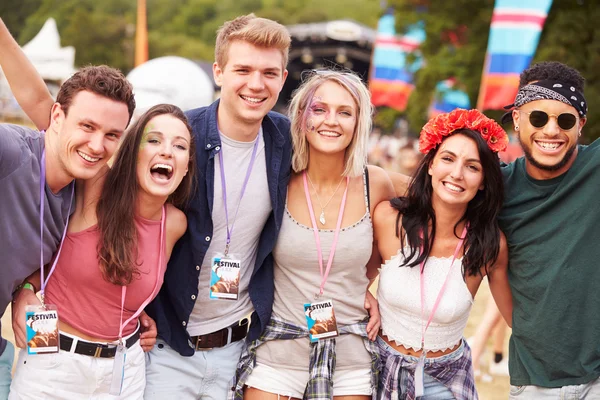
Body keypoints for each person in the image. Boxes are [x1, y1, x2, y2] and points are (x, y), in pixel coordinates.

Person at [143, 14, 293, 399]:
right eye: (243, 69)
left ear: (283, 77)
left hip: (239, 349)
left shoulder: (287, 141)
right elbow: (119, 214)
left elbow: (347, 185)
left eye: (269, 73)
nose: (256, 84)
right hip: (166, 347)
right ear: (219, 72)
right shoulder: (180, 138)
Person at [9, 104, 196, 399]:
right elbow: (50, 116)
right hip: (54, 359)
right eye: (154, 140)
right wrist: (26, 289)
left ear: (187, 166)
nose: (167, 152)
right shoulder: (96, 187)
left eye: (180, 146)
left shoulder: (174, 224)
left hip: (125, 370)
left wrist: (139, 314)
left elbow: (129, 280)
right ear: (132, 152)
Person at [228, 69, 394, 400]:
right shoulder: (277, 181)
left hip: (350, 359)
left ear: (358, 123)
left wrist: (361, 284)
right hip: (279, 354)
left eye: (345, 112)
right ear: (302, 117)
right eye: (319, 109)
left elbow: (433, 197)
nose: (331, 121)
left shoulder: (375, 184)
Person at [0, 17, 136, 398]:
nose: (97, 145)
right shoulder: (12, 152)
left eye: (112, 135)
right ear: (56, 118)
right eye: (87, 126)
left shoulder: (86, 191)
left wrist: (24, 290)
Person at [373, 108, 512, 399]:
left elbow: (518, 321)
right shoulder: (388, 220)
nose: (457, 174)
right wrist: (361, 293)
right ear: (431, 165)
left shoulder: (489, 245)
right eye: (448, 159)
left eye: (472, 167)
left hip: (447, 380)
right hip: (378, 369)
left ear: (484, 180)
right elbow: (337, 279)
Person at [499, 61, 600, 398]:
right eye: (538, 118)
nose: (551, 131)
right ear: (517, 118)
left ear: (581, 125)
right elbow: (427, 193)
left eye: (565, 120)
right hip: (534, 380)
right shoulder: (495, 188)